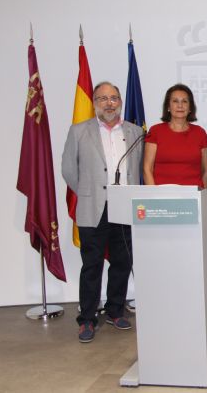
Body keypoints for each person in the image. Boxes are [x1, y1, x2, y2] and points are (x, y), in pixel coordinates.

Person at [62, 81, 144, 343]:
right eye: (103, 98)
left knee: (122, 262)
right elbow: (68, 170)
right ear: (95, 102)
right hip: (93, 206)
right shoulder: (79, 131)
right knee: (92, 265)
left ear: (120, 101)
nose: (109, 103)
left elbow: (139, 168)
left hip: (124, 206)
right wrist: (89, 191)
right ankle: (86, 319)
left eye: (114, 98)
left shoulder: (134, 132)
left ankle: (115, 310)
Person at [143, 84, 207, 188]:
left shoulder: (200, 133)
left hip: (193, 198)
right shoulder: (155, 131)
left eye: (184, 101)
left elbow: (206, 170)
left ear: (190, 108)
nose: (180, 105)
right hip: (161, 197)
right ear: (168, 107)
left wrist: (202, 196)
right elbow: (147, 169)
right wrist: (154, 196)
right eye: (175, 101)